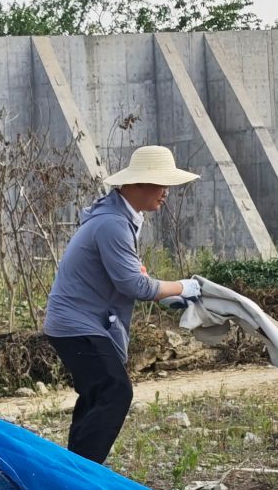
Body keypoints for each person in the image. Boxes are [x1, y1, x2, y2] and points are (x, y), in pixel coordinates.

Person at [42, 145, 203, 464]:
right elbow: (135, 285)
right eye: (161, 184)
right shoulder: (113, 223)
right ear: (139, 183)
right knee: (115, 391)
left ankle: (75, 468)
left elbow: (126, 278)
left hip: (76, 322)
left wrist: (164, 291)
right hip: (76, 325)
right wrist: (184, 287)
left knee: (97, 394)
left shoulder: (116, 217)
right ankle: (84, 475)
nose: (166, 193)